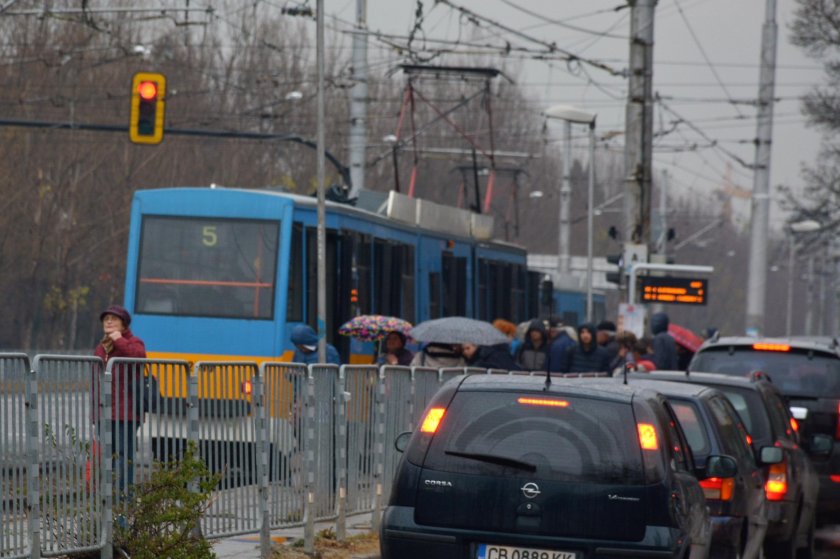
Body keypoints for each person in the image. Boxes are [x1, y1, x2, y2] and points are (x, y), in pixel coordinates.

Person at [93, 305, 146, 496]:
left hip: (127, 413)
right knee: (107, 457)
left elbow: (139, 357)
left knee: (124, 457)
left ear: (123, 324)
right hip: (104, 412)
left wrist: (119, 340)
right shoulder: (102, 346)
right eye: (106, 319)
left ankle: (124, 500)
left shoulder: (133, 342)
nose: (108, 321)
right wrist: (95, 414)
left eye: (113, 319)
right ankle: (109, 499)